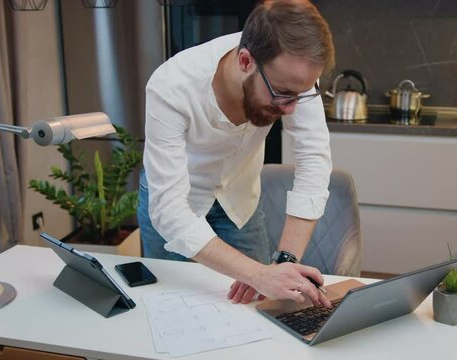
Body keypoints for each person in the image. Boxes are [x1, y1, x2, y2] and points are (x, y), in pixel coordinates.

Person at [138, 0, 335, 307]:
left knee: (259, 309)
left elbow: (314, 161)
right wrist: (259, 274)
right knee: (172, 309)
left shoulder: (291, 73)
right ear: (245, 61)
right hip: (176, 204)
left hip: (240, 201)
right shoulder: (170, 88)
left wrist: (282, 263)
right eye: (283, 94)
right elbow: (170, 211)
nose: (292, 109)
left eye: (301, 95)